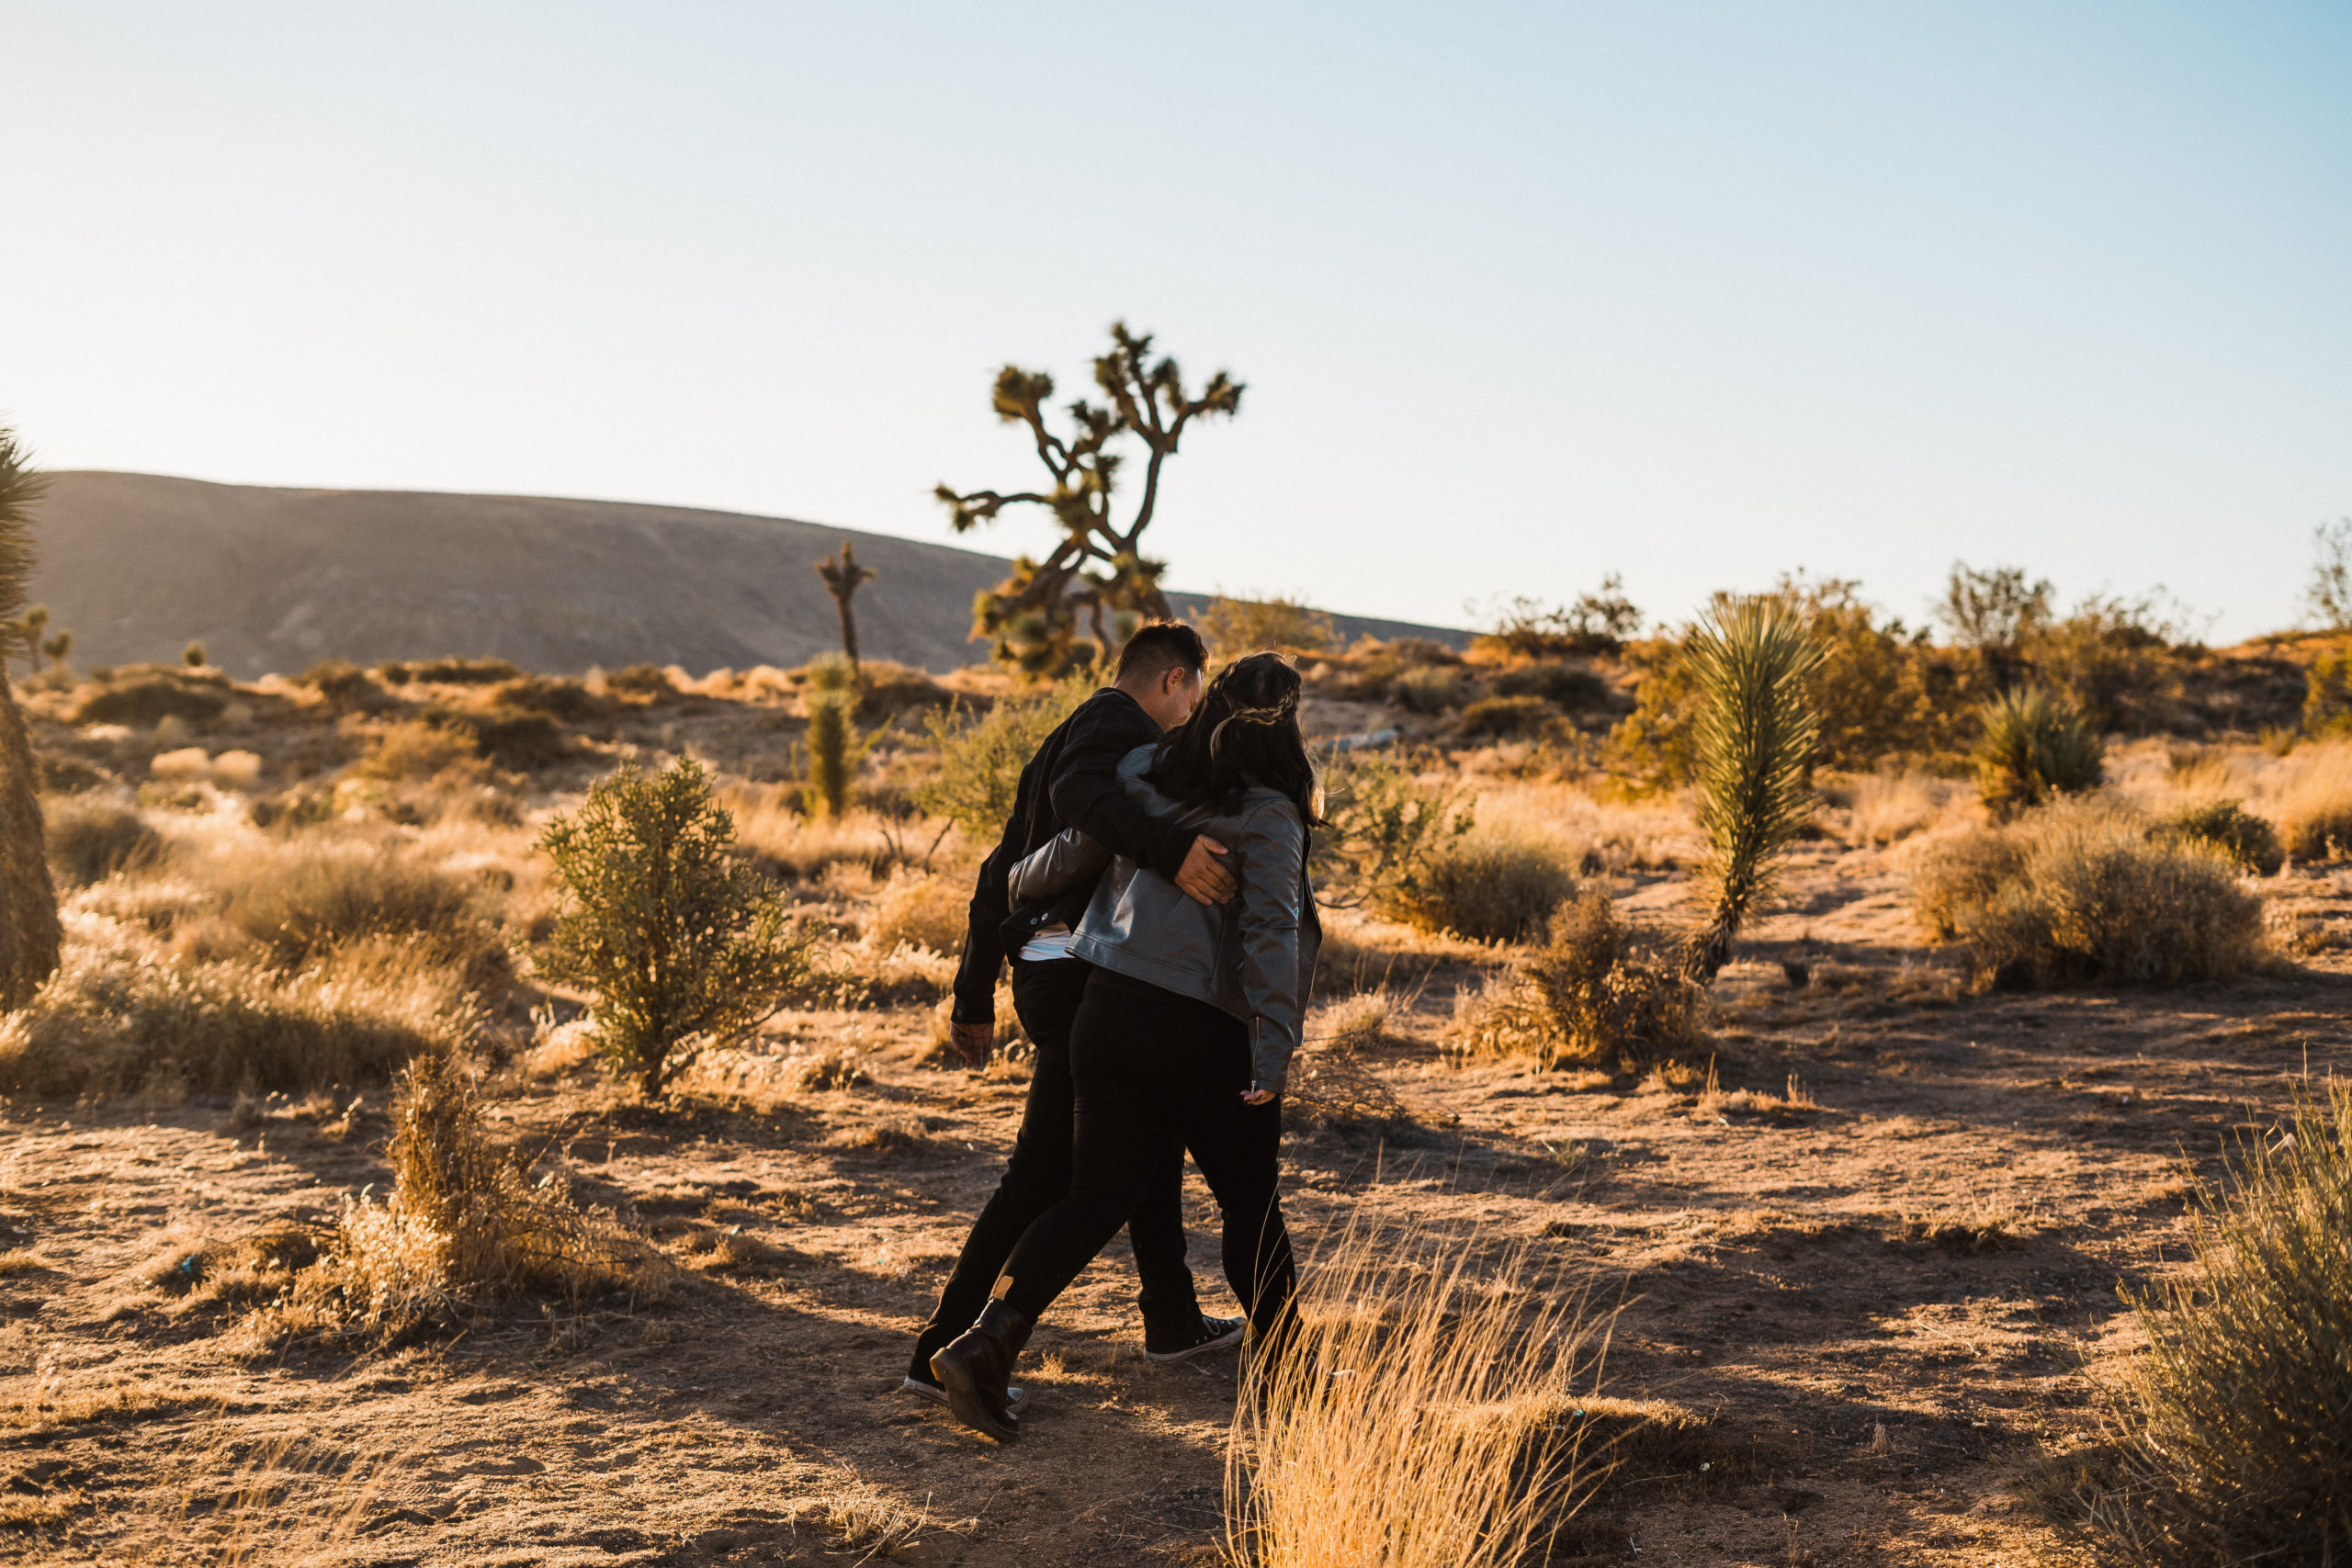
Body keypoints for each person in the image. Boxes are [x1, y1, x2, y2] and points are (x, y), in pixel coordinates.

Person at [929, 652, 1321, 1441]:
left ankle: (983, 1342)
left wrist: (1016, 884)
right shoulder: (1271, 810)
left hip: (1105, 1011)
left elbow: (1061, 856)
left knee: (1094, 1195)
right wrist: (1274, 1048)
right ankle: (1291, 1378)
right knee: (1250, 1201)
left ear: (1208, 705)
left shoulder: (1145, 771)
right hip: (1202, 1027)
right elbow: (1271, 933)